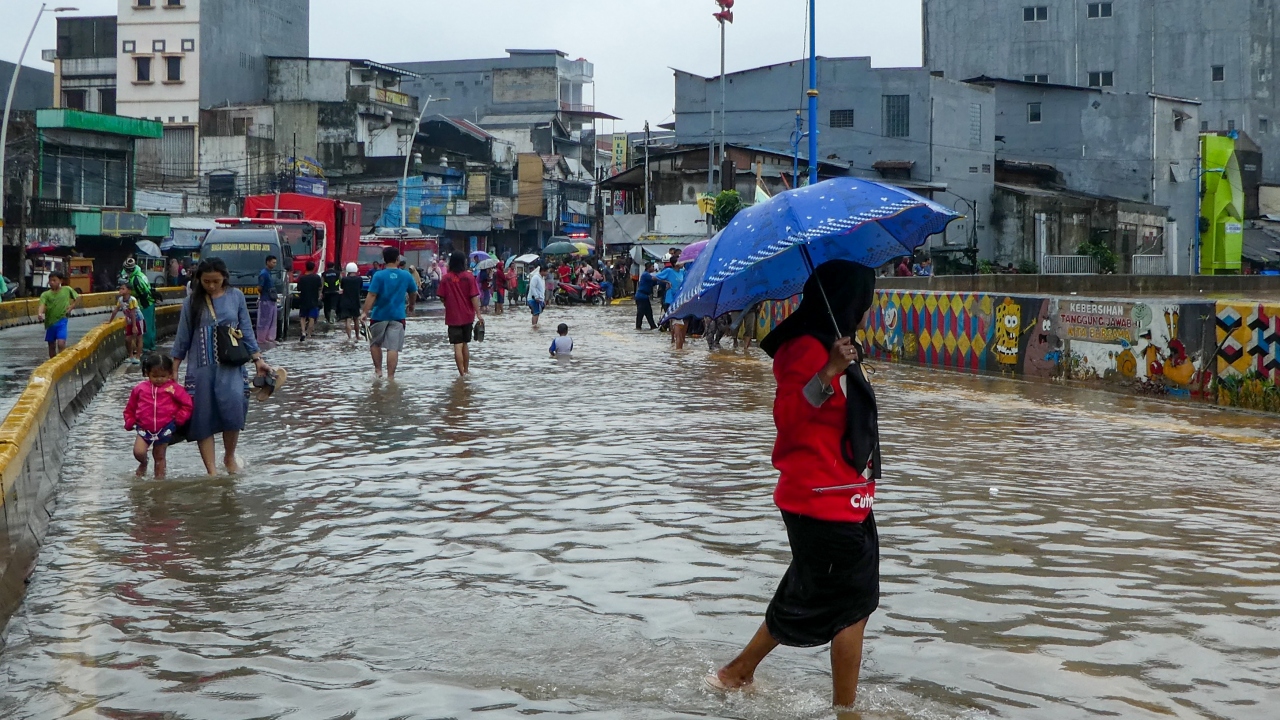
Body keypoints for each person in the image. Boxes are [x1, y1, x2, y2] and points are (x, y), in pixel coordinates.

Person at [706, 261, 881, 714]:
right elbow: (788, 420)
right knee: (852, 607)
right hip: (823, 502)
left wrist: (840, 365)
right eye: (865, 297)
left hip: (847, 498)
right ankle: (847, 711)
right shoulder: (806, 349)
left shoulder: (832, 344)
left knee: (804, 591)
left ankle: (736, 673)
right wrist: (828, 372)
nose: (869, 306)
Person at [172, 258, 272, 475]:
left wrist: (258, 360)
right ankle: (211, 471)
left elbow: (245, 328)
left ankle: (229, 456)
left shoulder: (236, 297)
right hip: (200, 368)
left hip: (231, 366)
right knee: (202, 417)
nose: (211, 285)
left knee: (234, 409)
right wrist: (174, 369)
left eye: (215, 281)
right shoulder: (191, 302)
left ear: (224, 278)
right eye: (206, 281)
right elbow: (182, 337)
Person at [123, 352, 192, 480]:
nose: (159, 379)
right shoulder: (140, 389)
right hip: (144, 428)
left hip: (165, 428)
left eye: (163, 376)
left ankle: (159, 481)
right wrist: (129, 421)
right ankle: (143, 462)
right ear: (147, 374)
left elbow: (187, 404)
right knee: (138, 452)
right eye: (155, 376)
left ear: (170, 374)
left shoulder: (174, 389)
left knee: (159, 456)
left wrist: (180, 418)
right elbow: (130, 408)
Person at [359, 246, 418, 380]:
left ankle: (378, 371)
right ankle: (391, 377)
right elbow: (413, 292)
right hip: (398, 316)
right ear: (398, 259)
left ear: (383, 260)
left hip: (379, 315)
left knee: (375, 343)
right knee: (393, 348)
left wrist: (364, 312)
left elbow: (372, 295)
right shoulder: (406, 275)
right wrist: (411, 306)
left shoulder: (378, 275)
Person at [438, 252, 481, 376]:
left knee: (457, 345)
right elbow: (474, 297)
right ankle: (466, 371)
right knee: (465, 344)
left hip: (452, 316)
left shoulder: (446, 278)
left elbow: (442, 297)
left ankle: (461, 374)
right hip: (468, 315)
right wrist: (478, 314)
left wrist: (448, 304)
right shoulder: (469, 277)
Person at [37, 272, 80, 358]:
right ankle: (53, 362)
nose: (52, 282)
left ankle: (61, 360)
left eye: (54, 280)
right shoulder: (45, 295)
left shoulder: (67, 289)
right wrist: (40, 313)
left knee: (61, 343)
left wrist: (71, 307)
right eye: (50, 281)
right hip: (50, 323)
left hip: (62, 320)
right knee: (51, 345)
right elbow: (42, 305)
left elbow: (77, 298)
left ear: (60, 281)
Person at [121, 257, 159, 353]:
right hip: (150, 303)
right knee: (151, 325)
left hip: (145, 304)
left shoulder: (135, 279)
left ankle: (145, 347)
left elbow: (143, 294)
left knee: (145, 327)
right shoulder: (140, 274)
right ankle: (151, 345)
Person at [109, 282, 145, 364]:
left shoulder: (132, 300)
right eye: (120, 288)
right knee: (127, 339)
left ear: (129, 291)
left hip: (138, 320)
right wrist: (109, 321)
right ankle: (131, 356)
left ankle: (138, 357)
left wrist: (134, 326)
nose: (120, 290)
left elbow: (133, 313)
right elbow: (116, 310)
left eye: (123, 289)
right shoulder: (120, 300)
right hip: (129, 320)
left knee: (139, 337)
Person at [655, 262, 687, 348]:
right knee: (673, 319)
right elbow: (655, 277)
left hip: (680, 298)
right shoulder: (669, 271)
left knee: (680, 320)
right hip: (670, 299)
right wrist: (667, 281)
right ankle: (673, 339)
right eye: (680, 262)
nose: (682, 263)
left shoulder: (682, 272)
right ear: (675, 264)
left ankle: (680, 340)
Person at [296, 260, 323, 341]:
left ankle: (303, 332)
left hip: (304, 299)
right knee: (312, 318)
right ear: (314, 268)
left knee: (303, 317)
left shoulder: (302, 278)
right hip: (314, 300)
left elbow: (299, 288)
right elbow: (320, 287)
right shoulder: (316, 277)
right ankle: (309, 334)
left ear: (306, 267)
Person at [256, 255, 280, 344]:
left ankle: (269, 337)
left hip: (271, 299)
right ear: (268, 262)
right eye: (273, 262)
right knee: (264, 320)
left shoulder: (269, 273)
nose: (275, 264)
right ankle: (262, 338)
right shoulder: (263, 274)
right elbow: (259, 287)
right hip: (266, 300)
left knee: (270, 319)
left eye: (275, 262)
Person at [338, 262, 364, 340]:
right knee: (356, 319)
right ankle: (357, 336)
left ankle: (349, 337)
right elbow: (360, 288)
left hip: (345, 301)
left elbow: (342, 287)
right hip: (355, 301)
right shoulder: (359, 279)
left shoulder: (344, 279)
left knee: (348, 320)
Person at [634, 262, 658, 331]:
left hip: (644, 296)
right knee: (640, 313)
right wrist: (661, 275)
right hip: (641, 296)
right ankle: (638, 327)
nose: (653, 268)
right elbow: (655, 279)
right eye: (652, 267)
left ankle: (653, 326)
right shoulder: (646, 275)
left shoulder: (647, 276)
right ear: (649, 267)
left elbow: (655, 283)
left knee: (649, 313)